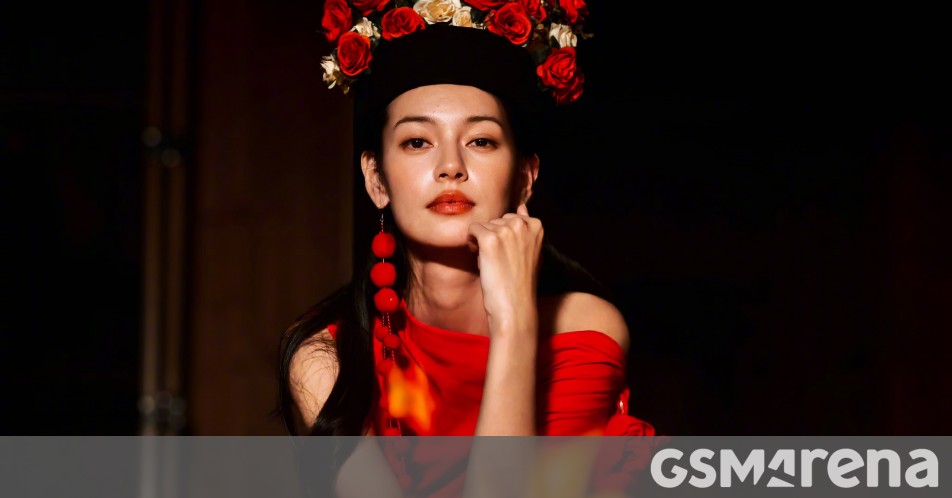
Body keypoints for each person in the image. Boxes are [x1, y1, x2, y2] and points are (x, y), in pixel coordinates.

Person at [277, 3, 654, 492]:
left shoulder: (582, 330)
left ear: (524, 178)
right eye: (417, 142)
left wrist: (515, 324)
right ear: (376, 180)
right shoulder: (328, 355)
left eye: (480, 141)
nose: (451, 166)